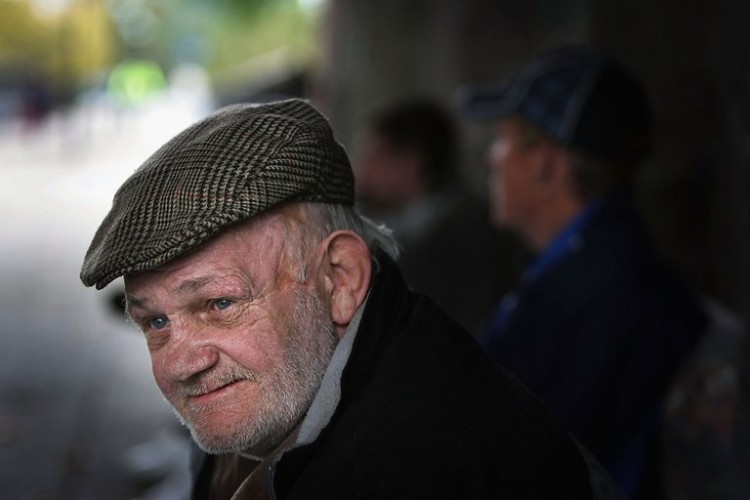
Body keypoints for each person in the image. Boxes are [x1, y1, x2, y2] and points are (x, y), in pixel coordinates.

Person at [80, 98, 620, 499]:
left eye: (219, 304)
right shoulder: (300, 378)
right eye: (154, 324)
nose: (181, 364)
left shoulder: (428, 464)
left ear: (340, 278)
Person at [461, 46, 707, 498]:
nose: (493, 158)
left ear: (548, 164)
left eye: (504, 139)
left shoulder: (604, 297)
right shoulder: (594, 267)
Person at [354, 97, 529, 332]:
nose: (361, 171)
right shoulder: (412, 230)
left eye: (374, 157)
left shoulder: (466, 241)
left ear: (410, 164)